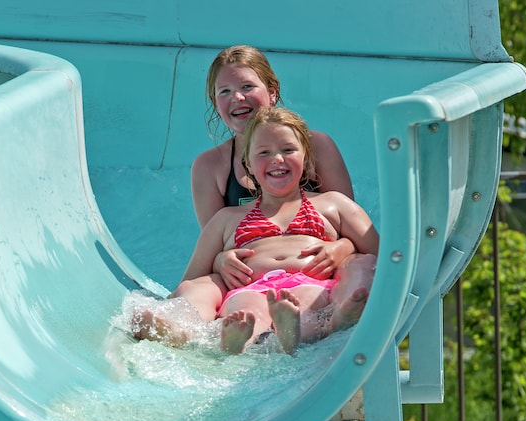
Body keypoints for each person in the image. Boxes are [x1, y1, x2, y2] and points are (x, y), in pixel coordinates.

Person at [132, 107, 378, 354]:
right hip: (251, 290)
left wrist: (344, 247)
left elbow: (382, 254)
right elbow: (191, 277)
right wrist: (219, 263)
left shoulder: (333, 204)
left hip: (312, 286)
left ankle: (335, 317)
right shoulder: (227, 218)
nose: (277, 159)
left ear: (306, 158)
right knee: (219, 297)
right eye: (264, 153)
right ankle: (187, 329)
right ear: (248, 164)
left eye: (288, 150)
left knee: (360, 262)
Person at [172, 45, 357, 323]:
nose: (237, 97)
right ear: (215, 102)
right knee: (196, 288)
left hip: (315, 276)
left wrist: (342, 248)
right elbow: (216, 244)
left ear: (272, 91)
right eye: (224, 91)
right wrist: (221, 261)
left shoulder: (316, 147)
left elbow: (352, 225)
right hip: (250, 284)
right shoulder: (209, 166)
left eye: (247, 86)